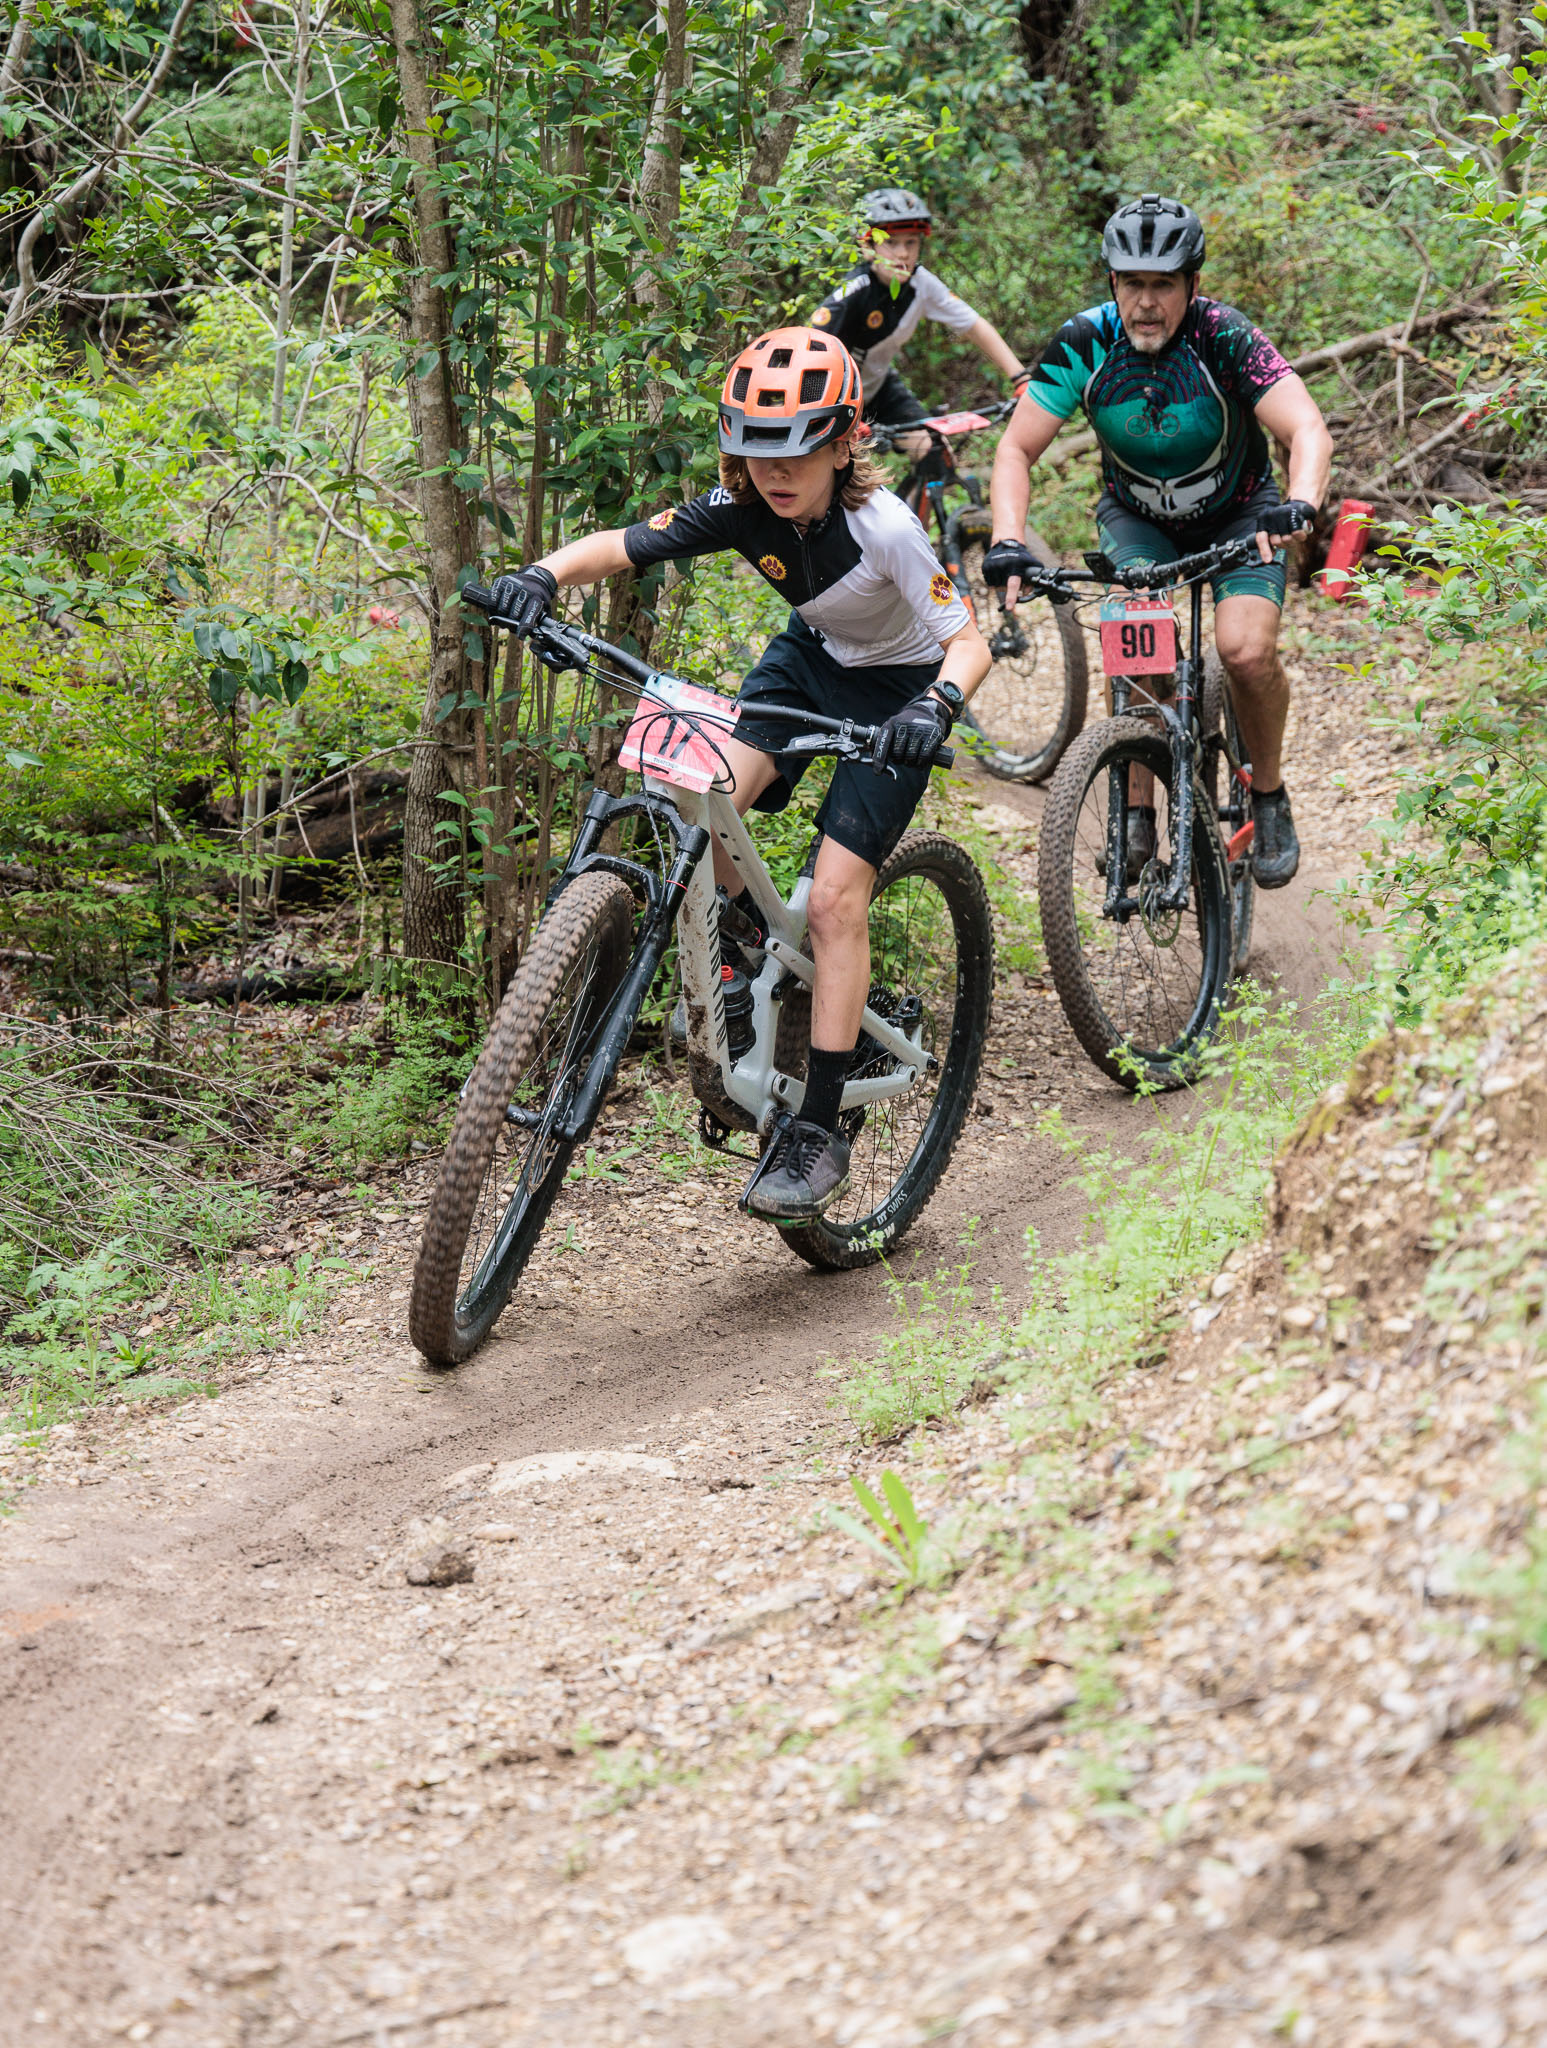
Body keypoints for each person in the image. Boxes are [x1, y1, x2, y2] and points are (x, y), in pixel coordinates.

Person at [485, 327, 991, 1222]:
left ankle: (818, 1126)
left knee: (833, 899)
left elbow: (968, 641)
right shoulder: (739, 507)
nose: (776, 472)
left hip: (900, 693)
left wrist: (935, 709)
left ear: (846, 444)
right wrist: (540, 577)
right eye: (758, 451)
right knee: (700, 794)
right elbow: (621, 545)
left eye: (797, 450)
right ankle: (739, 959)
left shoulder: (886, 528)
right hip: (808, 663)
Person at [985, 193, 1332, 888]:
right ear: (1112, 282)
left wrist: (1299, 503)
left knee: (1245, 651)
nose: (1146, 302)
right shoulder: (1084, 343)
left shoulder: (1223, 337)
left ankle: (1267, 794)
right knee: (1138, 643)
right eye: (1132, 283)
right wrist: (1006, 539)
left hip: (1239, 515)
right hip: (1137, 519)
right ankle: (1136, 812)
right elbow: (1015, 450)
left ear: (1192, 285)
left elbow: (1306, 429)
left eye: (1163, 284)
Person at [810, 188, 1029, 461]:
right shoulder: (853, 291)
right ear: (868, 247)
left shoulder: (922, 283)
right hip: (834, 399)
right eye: (891, 243)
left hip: (879, 388)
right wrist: (838, 413)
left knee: (935, 452)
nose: (903, 253)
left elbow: (974, 325)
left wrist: (1021, 378)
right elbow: (810, 357)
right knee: (845, 472)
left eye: (911, 242)